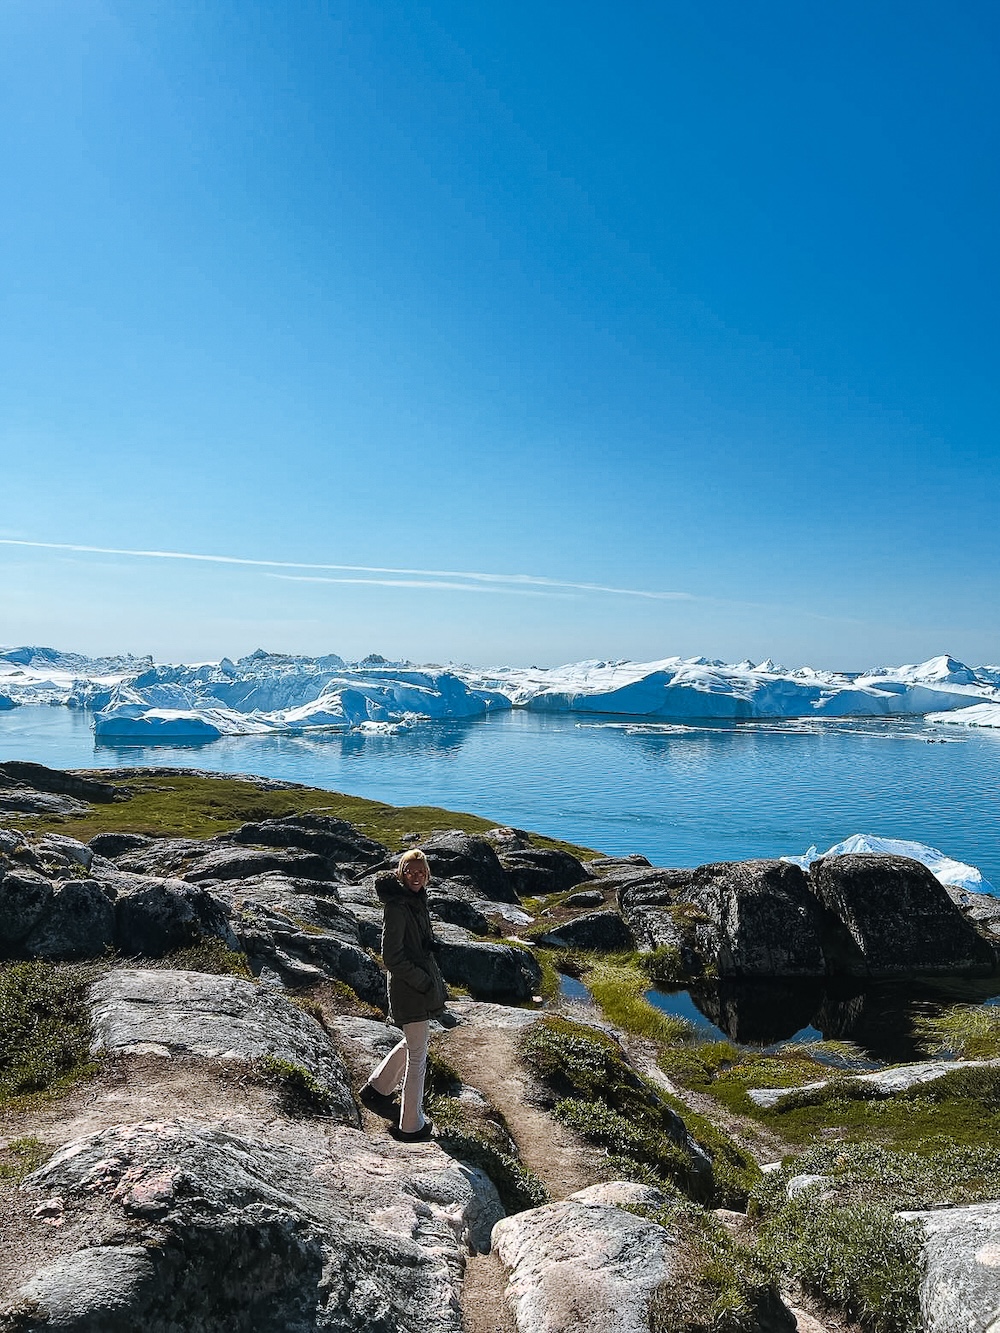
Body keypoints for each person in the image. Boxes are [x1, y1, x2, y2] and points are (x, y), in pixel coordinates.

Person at [359, 848, 447, 1141]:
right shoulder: (396, 906)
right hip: (410, 989)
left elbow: (412, 944)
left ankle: (378, 1088)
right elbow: (391, 957)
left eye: (421, 872)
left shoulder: (414, 901)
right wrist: (422, 981)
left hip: (416, 987)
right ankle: (411, 1124)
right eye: (410, 871)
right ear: (401, 872)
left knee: (413, 1042)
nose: (416, 876)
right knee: (419, 1054)